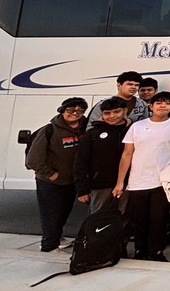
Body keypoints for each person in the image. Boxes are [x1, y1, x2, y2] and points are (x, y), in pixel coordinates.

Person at [113, 91, 170, 261]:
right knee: (139, 219)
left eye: (168, 103)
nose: (163, 106)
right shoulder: (137, 126)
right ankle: (140, 250)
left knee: (158, 219)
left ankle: (156, 251)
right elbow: (127, 154)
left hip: (161, 182)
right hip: (137, 181)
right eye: (159, 103)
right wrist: (120, 182)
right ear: (151, 106)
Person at [26, 97, 88, 252]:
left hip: (71, 181)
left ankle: (57, 239)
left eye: (79, 110)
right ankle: (48, 247)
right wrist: (51, 174)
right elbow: (33, 159)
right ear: (62, 110)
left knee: (63, 213)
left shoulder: (84, 129)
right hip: (51, 182)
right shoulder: (49, 130)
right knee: (51, 216)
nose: (75, 113)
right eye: (70, 110)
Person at [74, 96, 131, 213]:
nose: (112, 116)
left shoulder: (134, 130)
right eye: (107, 113)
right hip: (100, 185)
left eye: (116, 112)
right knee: (98, 219)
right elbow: (80, 161)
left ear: (125, 111)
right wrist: (82, 189)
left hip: (128, 185)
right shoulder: (92, 133)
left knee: (124, 219)